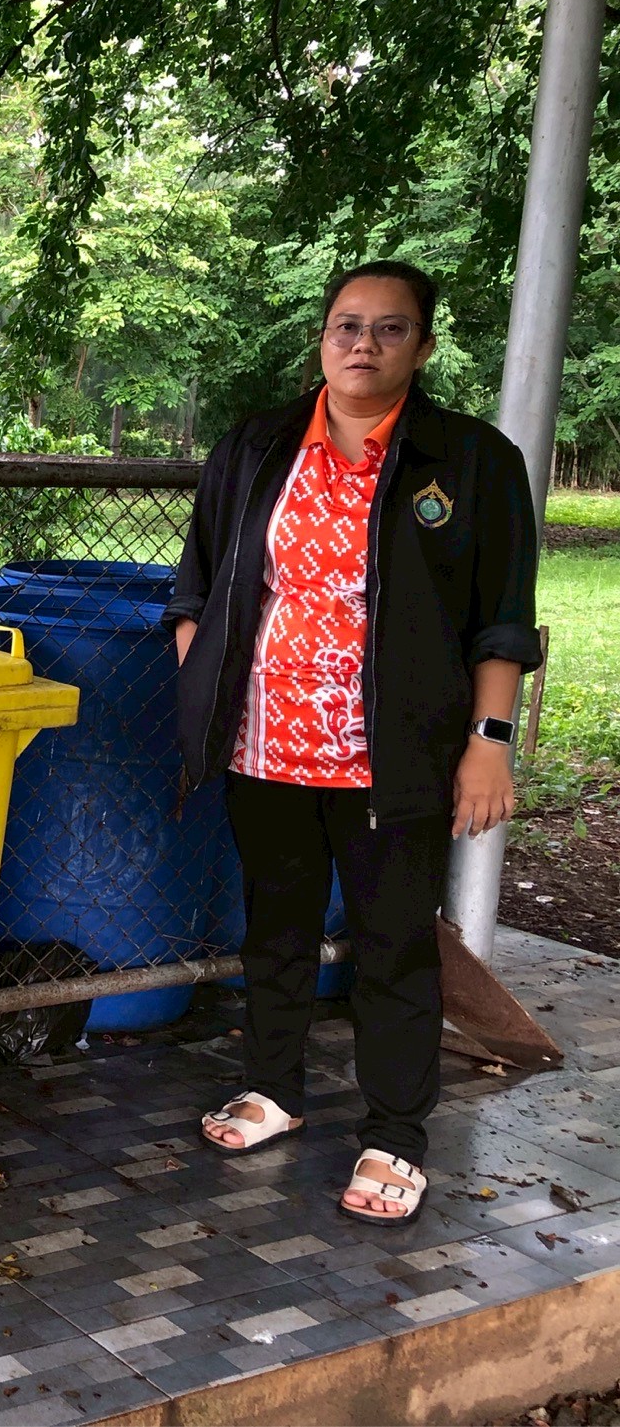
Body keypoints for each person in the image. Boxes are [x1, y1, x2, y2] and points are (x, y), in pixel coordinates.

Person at [165, 260, 542, 1226]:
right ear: (321, 339)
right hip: (265, 744)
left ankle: (397, 1134)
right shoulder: (256, 447)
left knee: (393, 944)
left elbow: (502, 619)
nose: (362, 343)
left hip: (395, 757)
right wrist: (202, 675)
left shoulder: (470, 463)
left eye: (388, 327)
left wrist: (487, 741)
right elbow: (198, 583)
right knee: (277, 927)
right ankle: (275, 1088)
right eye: (345, 325)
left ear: (422, 343)